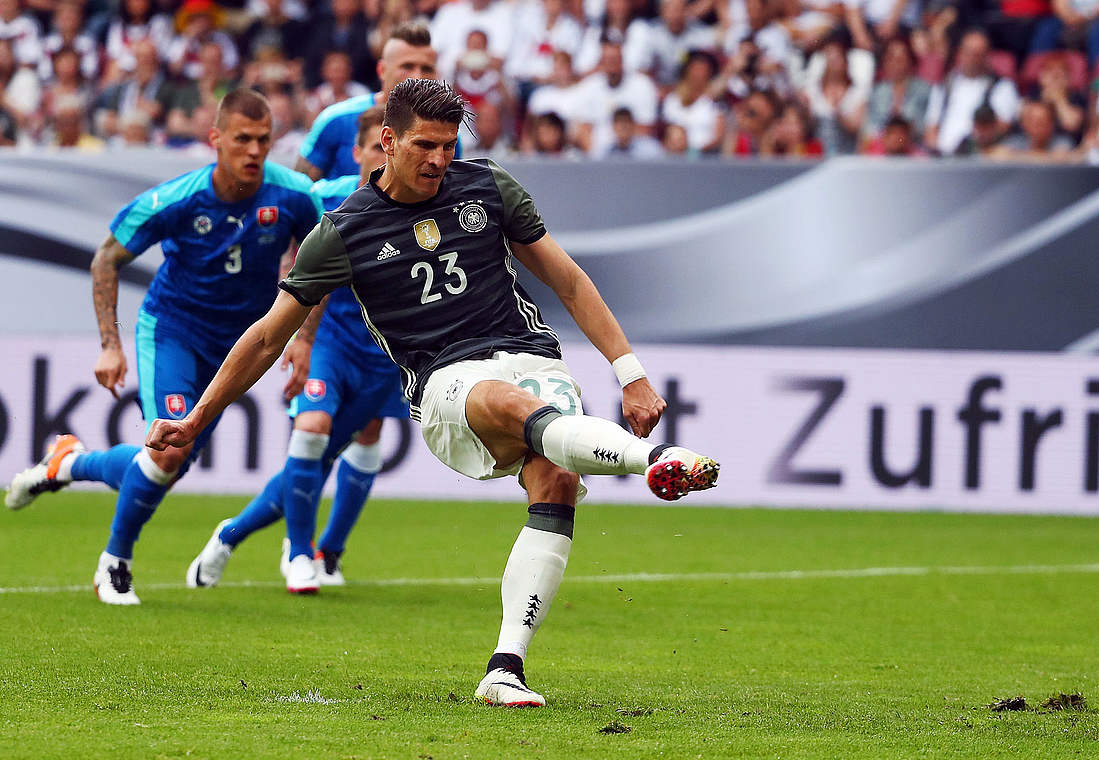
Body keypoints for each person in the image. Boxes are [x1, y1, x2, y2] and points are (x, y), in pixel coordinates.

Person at [146, 79, 720, 706]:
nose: (439, 161)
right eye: (425, 145)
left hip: (532, 355)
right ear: (386, 142)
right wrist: (200, 418)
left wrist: (629, 372)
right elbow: (263, 340)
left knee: (553, 482)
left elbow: (571, 282)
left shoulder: (488, 187)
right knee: (509, 403)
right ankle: (655, 461)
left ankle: (506, 668)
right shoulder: (343, 232)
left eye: (449, 146)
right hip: (446, 381)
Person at [4, 89, 322, 605]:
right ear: (215, 139)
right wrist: (110, 345)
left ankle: (68, 462)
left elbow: (317, 266)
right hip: (174, 330)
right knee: (169, 449)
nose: (254, 151)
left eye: (264, 140)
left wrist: (304, 338)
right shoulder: (176, 198)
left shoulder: (293, 195)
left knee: (168, 462)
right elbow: (106, 257)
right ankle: (115, 562)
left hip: (238, 348)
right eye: (242, 139)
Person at [187, 106, 402, 593]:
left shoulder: (424, 208)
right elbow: (295, 254)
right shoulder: (325, 198)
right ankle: (301, 553)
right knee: (312, 428)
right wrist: (302, 339)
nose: (382, 157)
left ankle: (238, 534)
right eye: (374, 147)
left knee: (330, 456)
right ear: (358, 151)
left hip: (385, 355)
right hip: (329, 339)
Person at [296, 21, 437, 181]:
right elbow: (301, 190)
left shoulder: (444, 135)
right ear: (382, 70)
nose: (417, 77)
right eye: (407, 66)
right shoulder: (336, 119)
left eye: (426, 69)